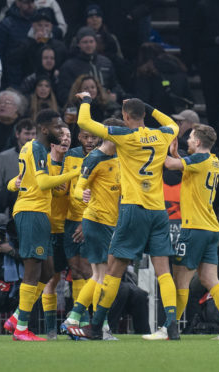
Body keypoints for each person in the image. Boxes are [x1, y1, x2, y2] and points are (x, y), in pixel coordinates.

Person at [74, 93, 180, 340]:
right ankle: (172, 325)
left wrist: (87, 100)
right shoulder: (163, 134)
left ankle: (96, 326)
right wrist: (150, 107)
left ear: (125, 117)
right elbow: (174, 124)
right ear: (143, 115)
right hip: (158, 211)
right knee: (164, 272)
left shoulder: (125, 135)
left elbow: (85, 124)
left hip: (134, 209)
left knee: (113, 270)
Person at [3, 109, 80, 341]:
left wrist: (16, 184)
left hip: (38, 213)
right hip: (32, 211)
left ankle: (17, 317)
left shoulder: (30, 147)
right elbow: (44, 182)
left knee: (47, 271)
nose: (62, 132)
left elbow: (17, 181)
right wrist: (74, 173)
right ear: (45, 129)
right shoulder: (36, 147)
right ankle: (21, 329)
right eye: (58, 127)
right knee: (33, 268)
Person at [163, 123, 219, 340]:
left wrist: (157, 148)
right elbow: (185, 166)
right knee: (210, 279)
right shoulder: (214, 160)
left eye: (189, 138)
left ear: (198, 142)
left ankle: (168, 330)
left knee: (180, 280)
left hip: (194, 228)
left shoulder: (198, 159)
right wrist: (175, 153)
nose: (187, 140)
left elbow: (170, 165)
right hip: (211, 228)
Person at [61, 118, 122, 341]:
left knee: (97, 275)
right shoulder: (94, 158)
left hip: (108, 222)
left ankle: (76, 318)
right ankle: (99, 326)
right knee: (102, 275)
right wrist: (82, 195)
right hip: (96, 221)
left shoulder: (117, 158)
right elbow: (78, 188)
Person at [40, 125, 70, 339]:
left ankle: (80, 324)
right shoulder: (44, 165)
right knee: (51, 279)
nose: (66, 139)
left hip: (71, 227)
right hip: (50, 228)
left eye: (69, 136)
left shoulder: (73, 163)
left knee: (80, 275)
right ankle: (51, 329)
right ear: (52, 142)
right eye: (61, 136)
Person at [57, 27, 123, 106]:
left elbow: (115, 85)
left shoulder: (106, 62)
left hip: (106, 106)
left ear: (96, 43)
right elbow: (63, 92)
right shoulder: (69, 66)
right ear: (78, 44)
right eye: (85, 42)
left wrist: (115, 94)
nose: (89, 45)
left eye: (91, 41)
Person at [0, 119, 36, 204]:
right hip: (8, 209)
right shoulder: (3, 157)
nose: (30, 137)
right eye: (27, 133)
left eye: (33, 134)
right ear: (17, 134)